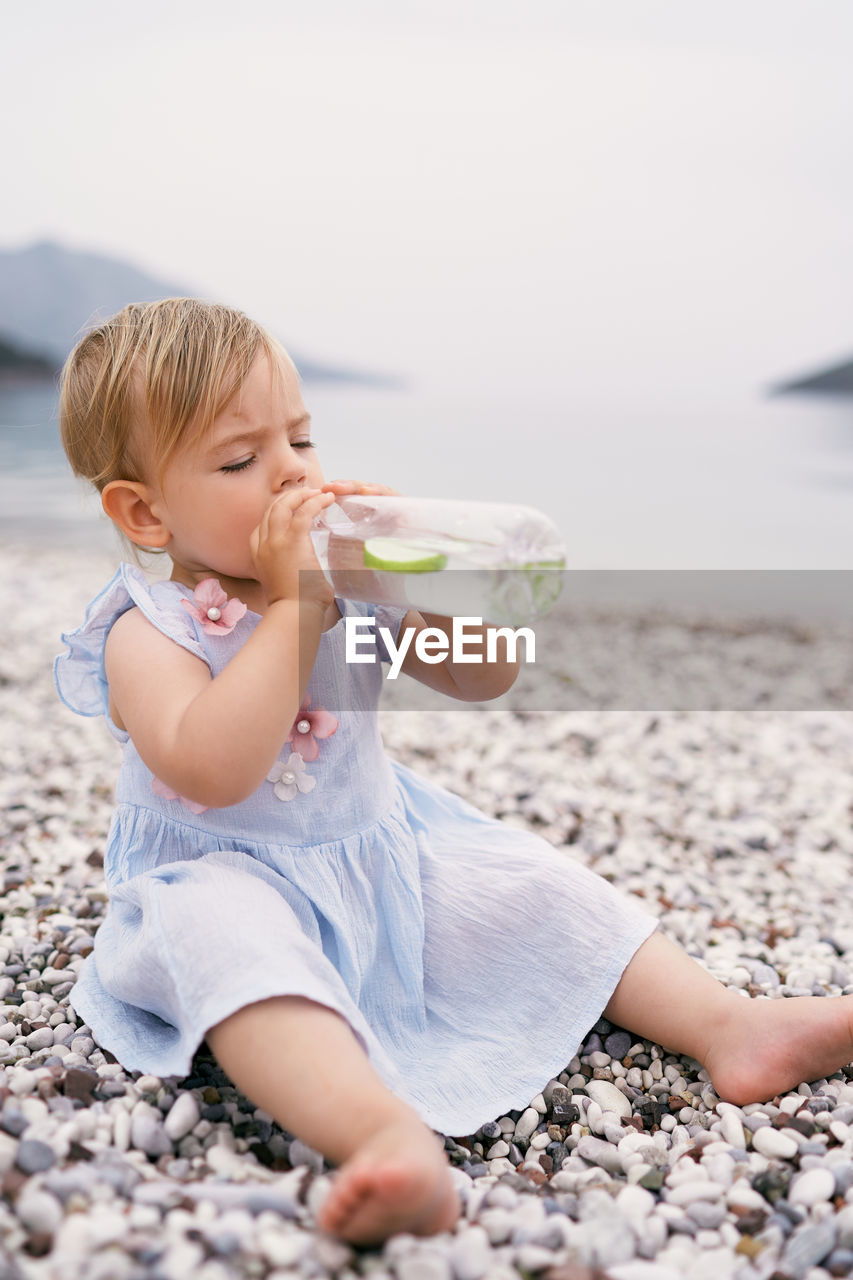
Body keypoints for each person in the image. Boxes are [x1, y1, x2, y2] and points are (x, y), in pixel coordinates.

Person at [55, 298, 853, 1247]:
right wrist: (296, 608)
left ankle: (729, 1025)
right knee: (237, 955)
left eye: (300, 440)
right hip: (224, 873)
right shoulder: (149, 630)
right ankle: (381, 1135)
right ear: (145, 511)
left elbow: (484, 671)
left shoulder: (336, 583)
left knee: (537, 889)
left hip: (378, 856)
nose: (292, 474)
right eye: (240, 461)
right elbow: (215, 767)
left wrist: (393, 582)